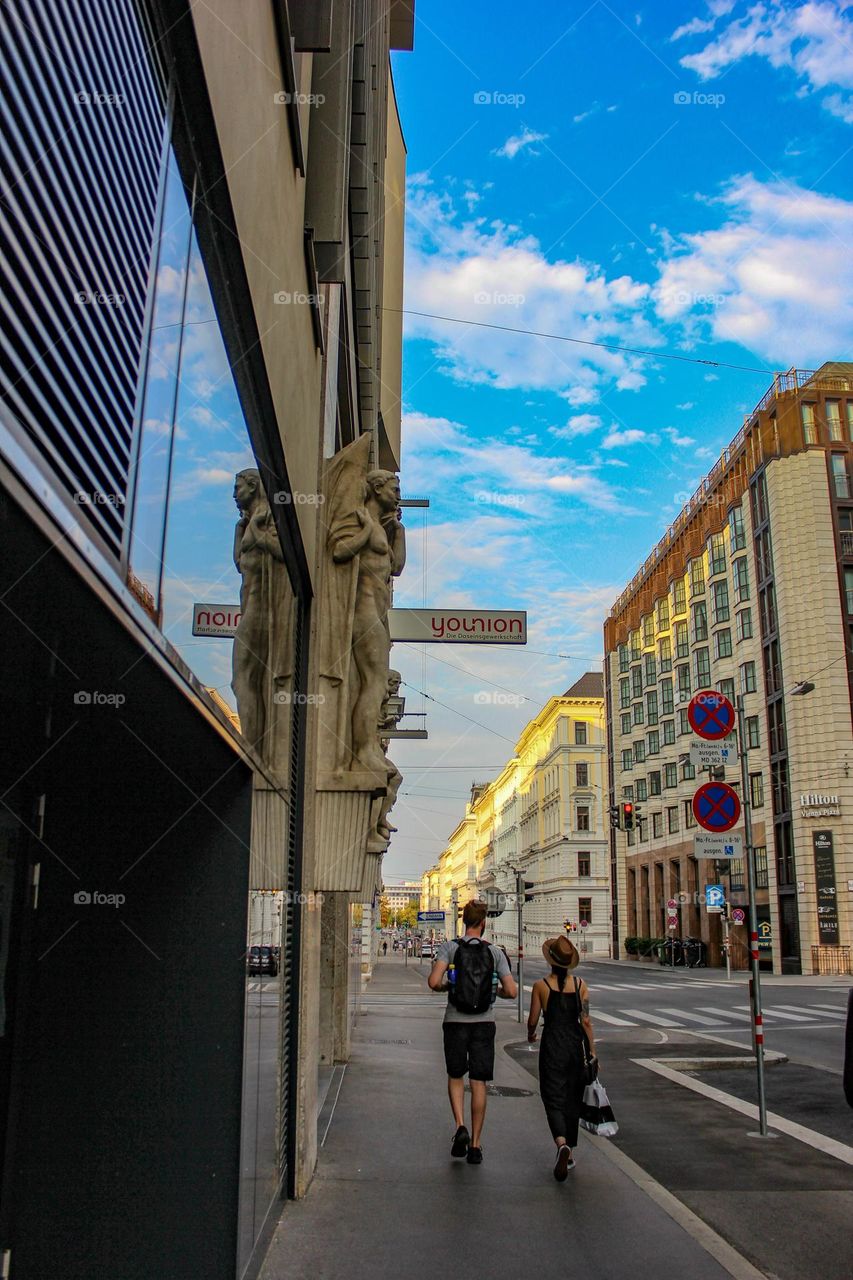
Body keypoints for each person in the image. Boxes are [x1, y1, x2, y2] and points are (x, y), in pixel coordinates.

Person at [428, 900, 517, 1165]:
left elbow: (433, 982)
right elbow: (512, 991)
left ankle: (459, 1127)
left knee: (456, 1075)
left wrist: (449, 988)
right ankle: (476, 1145)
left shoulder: (450, 948)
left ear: (463, 921)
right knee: (479, 1082)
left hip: (455, 1021)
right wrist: (494, 992)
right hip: (483, 1023)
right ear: (483, 923)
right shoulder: (495, 953)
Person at [526, 935, 597, 1180]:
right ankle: (570, 1151)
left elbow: (533, 1020)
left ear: (550, 961)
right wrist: (592, 1052)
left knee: (552, 1097)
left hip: (552, 1047)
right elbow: (586, 1021)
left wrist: (531, 1034)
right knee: (571, 1099)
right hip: (574, 1047)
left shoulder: (541, 986)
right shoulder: (580, 985)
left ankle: (561, 1143)